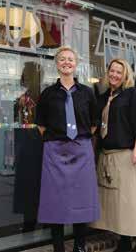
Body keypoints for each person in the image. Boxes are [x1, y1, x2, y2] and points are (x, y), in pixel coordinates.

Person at [35, 46, 100, 252]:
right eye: (62, 59)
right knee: (56, 201)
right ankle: (58, 248)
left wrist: (78, 139)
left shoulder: (87, 93)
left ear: (76, 64)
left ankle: (79, 246)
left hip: (81, 150)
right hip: (55, 151)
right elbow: (41, 124)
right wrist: (57, 140)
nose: (66, 62)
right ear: (57, 64)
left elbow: (94, 122)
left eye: (70, 59)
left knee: (81, 199)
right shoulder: (47, 94)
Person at [91, 58, 136, 252]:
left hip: (125, 154)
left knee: (128, 201)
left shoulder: (132, 94)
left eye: (119, 72)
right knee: (114, 202)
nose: (115, 75)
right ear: (108, 73)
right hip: (106, 154)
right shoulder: (103, 97)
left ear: (125, 76)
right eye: (112, 71)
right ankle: (124, 242)